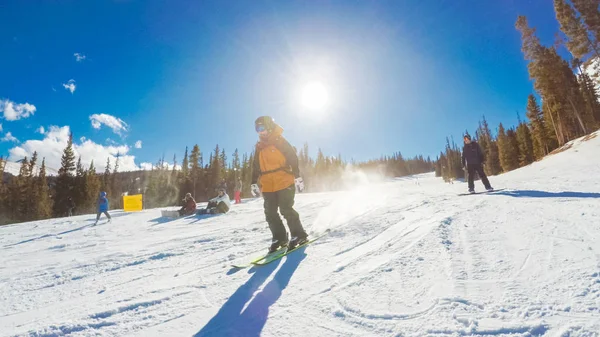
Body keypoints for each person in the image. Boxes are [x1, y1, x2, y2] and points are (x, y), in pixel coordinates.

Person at [251, 116, 308, 253]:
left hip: (284, 180)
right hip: (268, 184)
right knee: (270, 212)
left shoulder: (279, 141)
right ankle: (280, 238)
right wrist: (253, 182)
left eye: (262, 128)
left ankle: (299, 235)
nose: (260, 132)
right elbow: (255, 166)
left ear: (269, 126)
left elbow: (292, 157)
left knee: (286, 208)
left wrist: (297, 176)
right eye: (257, 129)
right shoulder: (259, 147)